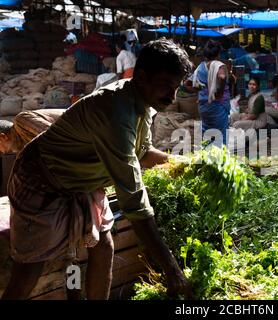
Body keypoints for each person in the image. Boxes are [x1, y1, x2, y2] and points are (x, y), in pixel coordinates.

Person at [1, 39, 193, 300]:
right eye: (167, 86)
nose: (172, 96)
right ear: (143, 76)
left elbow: (144, 152)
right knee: (30, 269)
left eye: (176, 87)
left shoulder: (143, 105)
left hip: (82, 181)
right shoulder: (116, 113)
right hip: (42, 178)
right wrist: (171, 269)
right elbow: (134, 202)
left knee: (103, 247)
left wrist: (185, 165)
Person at [190, 40, 231, 144]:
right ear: (218, 53)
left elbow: (188, 83)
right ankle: (220, 158)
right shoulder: (218, 65)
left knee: (207, 135)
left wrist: (198, 90)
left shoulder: (200, 67)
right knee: (220, 136)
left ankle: (206, 157)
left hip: (203, 107)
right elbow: (222, 77)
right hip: (217, 106)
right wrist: (219, 93)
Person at [0, 109, 65, 154]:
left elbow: (55, 137)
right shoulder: (24, 142)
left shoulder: (21, 120)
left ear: (3, 137)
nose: (1, 151)